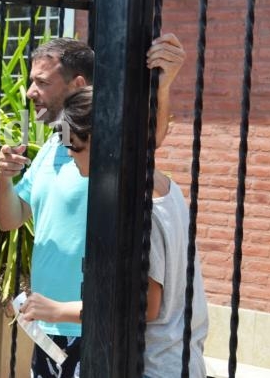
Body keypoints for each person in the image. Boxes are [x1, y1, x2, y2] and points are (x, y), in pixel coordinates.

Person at [0, 35, 185, 377]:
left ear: (78, 84)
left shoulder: (106, 148)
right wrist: (3, 178)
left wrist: (164, 84)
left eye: (41, 82)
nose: (29, 92)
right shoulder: (56, 143)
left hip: (90, 327)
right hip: (47, 327)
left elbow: (144, 142)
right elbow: (11, 220)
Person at [55, 86, 208, 378]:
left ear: (102, 140)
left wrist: (56, 310)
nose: (69, 155)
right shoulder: (163, 185)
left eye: (73, 145)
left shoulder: (136, 203)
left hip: (153, 366)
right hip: (180, 358)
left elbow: (145, 307)